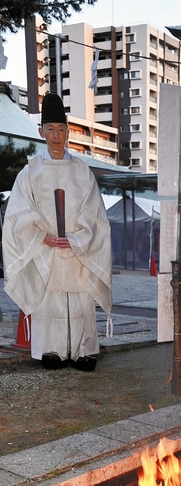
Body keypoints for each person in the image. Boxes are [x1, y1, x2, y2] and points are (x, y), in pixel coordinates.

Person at [2, 93, 112, 371]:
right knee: (49, 298)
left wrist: (77, 238)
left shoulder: (82, 171)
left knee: (79, 299)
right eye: (50, 129)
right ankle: (51, 350)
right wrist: (42, 236)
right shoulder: (30, 172)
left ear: (67, 132)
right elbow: (18, 212)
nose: (56, 135)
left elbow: (94, 213)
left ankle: (84, 350)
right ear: (41, 132)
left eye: (61, 129)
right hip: (46, 249)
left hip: (77, 249)